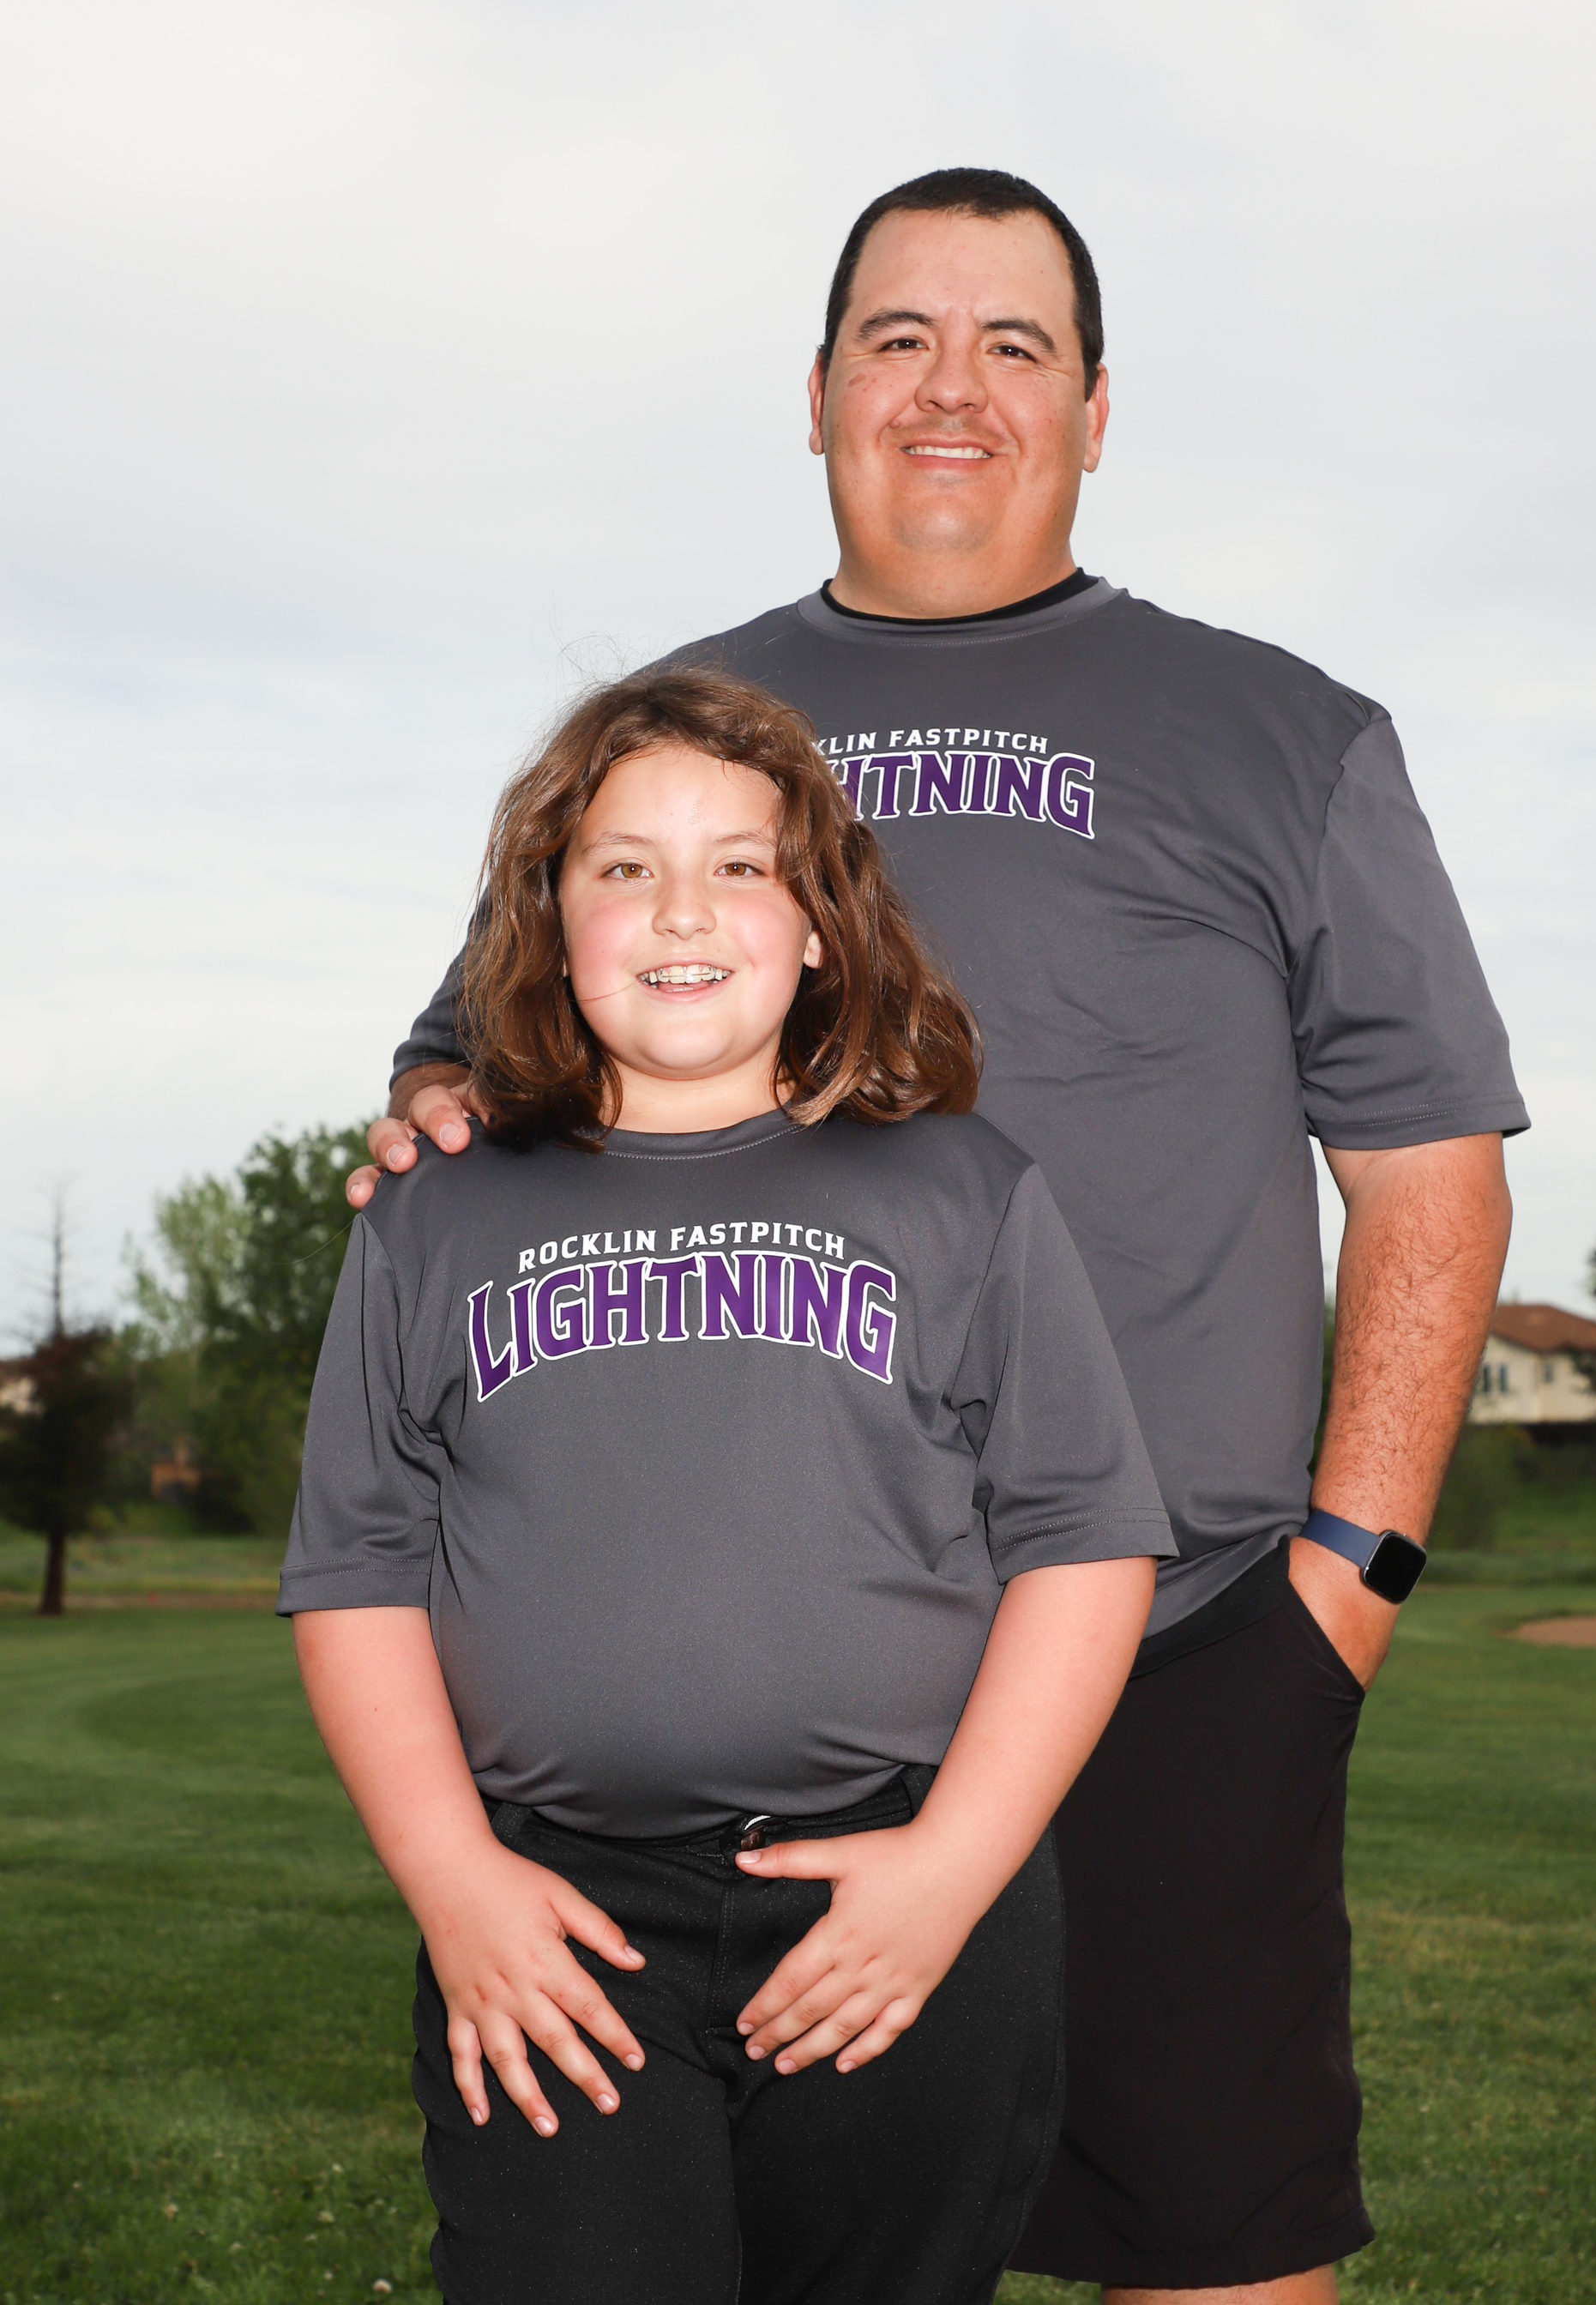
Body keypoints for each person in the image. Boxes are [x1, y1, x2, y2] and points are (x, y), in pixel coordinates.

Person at [352, 169, 1525, 2303]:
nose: (950, 386)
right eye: (897, 338)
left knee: (1217, 2240)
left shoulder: (1284, 733)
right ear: (816, 394)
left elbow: (1428, 1173)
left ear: (1095, 406)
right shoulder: (669, 738)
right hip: (760, 1707)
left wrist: (1340, 1583)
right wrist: (433, 1108)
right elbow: (474, 1066)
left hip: (1176, 1643)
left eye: (1012, 344)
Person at [283, 667, 1171, 2305]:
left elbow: (1082, 1543)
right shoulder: (435, 1213)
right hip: (557, 1913)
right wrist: (453, 1881)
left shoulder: (958, 1185)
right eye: (622, 866)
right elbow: (356, 1570)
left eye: (741, 865)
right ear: (546, 923)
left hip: (896, 1895)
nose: (679, 909)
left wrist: (953, 1869)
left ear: (821, 923)